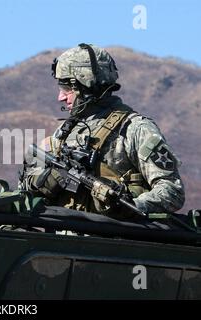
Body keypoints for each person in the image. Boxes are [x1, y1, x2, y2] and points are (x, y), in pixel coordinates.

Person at [22, 43, 185, 218]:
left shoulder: (135, 129)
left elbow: (172, 192)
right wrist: (43, 183)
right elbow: (25, 189)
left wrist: (127, 206)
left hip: (114, 240)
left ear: (85, 85)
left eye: (66, 88)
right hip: (64, 240)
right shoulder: (64, 132)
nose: (60, 97)